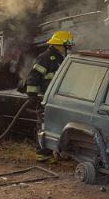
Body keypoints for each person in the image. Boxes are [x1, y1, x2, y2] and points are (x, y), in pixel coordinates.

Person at [25, 30, 74, 161]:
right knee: (44, 125)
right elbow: (33, 76)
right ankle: (42, 154)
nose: (69, 48)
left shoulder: (59, 58)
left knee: (54, 125)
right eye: (67, 45)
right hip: (45, 98)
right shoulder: (46, 57)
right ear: (60, 44)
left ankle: (55, 151)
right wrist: (32, 95)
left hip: (55, 98)